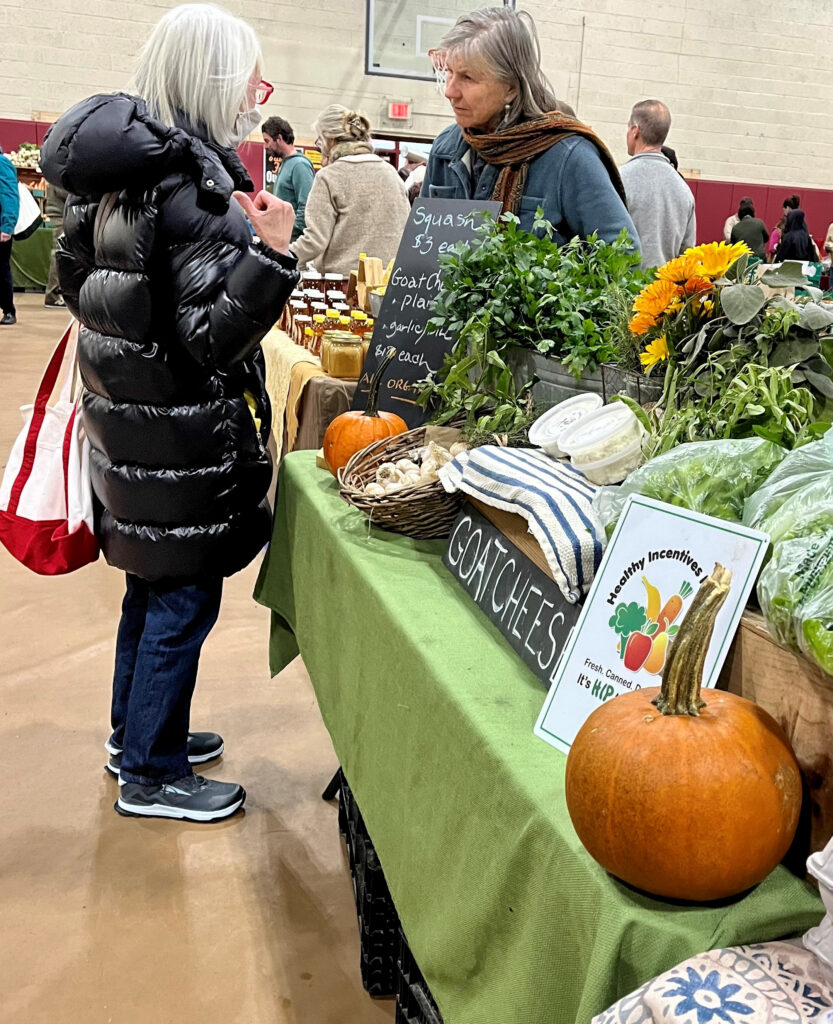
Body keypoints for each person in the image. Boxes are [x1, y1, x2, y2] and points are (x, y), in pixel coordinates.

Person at [41, 3, 299, 823]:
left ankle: (136, 736)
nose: (254, 98)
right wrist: (272, 255)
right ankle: (151, 774)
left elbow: (75, 284)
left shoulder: (109, 177)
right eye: (249, 79)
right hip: (182, 431)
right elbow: (210, 337)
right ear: (217, 81)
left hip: (131, 423)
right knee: (182, 598)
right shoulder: (191, 189)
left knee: (150, 588)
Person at [421, 8, 637, 248]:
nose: (450, 91)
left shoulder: (569, 158)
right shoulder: (445, 148)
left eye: (467, 77)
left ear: (511, 87)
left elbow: (622, 252)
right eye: (449, 72)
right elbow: (422, 248)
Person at [291, 105, 410, 275]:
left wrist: (284, 256)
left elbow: (315, 241)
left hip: (343, 285)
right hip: (389, 283)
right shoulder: (391, 172)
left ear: (329, 139)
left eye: (319, 140)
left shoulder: (329, 177)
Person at [620, 100, 695, 269]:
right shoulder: (684, 190)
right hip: (665, 291)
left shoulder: (618, 180)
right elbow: (687, 254)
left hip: (621, 292)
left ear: (635, 131)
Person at [261, 114, 314, 241]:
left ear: (279, 138)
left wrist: (287, 234)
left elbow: (306, 207)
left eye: (267, 141)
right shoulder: (286, 163)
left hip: (292, 244)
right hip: (282, 240)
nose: (266, 146)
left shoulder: (299, 165)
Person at [0, 144, 19, 326]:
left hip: (1, 229)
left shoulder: (2, 163)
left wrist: (7, 226)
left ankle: (8, 310)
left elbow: (10, 195)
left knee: (1, 271)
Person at [44, 181, 69, 308]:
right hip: (60, 214)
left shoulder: (55, 167)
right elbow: (64, 192)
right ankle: (52, 295)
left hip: (61, 213)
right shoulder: (59, 173)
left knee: (60, 252)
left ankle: (56, 293)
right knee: (59, 253)